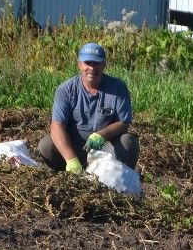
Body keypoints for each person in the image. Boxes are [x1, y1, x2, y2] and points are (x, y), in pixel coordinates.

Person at [37, 42, 139, 172]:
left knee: (128, 142)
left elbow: (124, 122)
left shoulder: (118, 87)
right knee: (46, 145)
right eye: (87, 63)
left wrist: (101, 135)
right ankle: (68, 173)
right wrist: (71, 159)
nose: (92, 68)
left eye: (96, 63)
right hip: (73, 147)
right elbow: (57, 126)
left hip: (104, 150)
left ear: (104, 65)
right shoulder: (65, 90)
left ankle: (116, 180)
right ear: (80, 64)